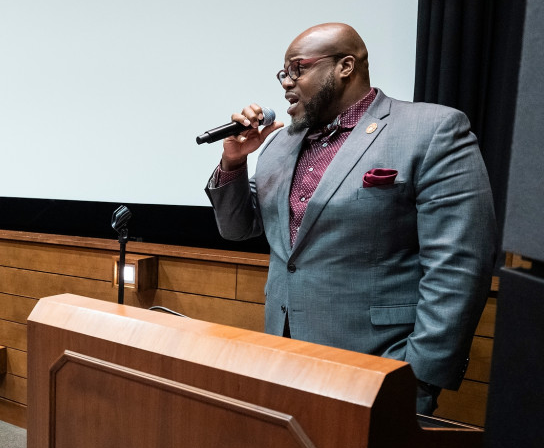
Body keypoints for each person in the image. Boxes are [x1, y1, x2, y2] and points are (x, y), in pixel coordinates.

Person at [205, 23, 497, 415]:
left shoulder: (431, 130)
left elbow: (459, 265)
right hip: (283, 352)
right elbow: (238, 228)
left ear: (345, 66)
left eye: (297, 69)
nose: (286, 84)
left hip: (380, 365)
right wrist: (233, 163)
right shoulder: (279, 144)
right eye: (283, 74)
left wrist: (419, 375)